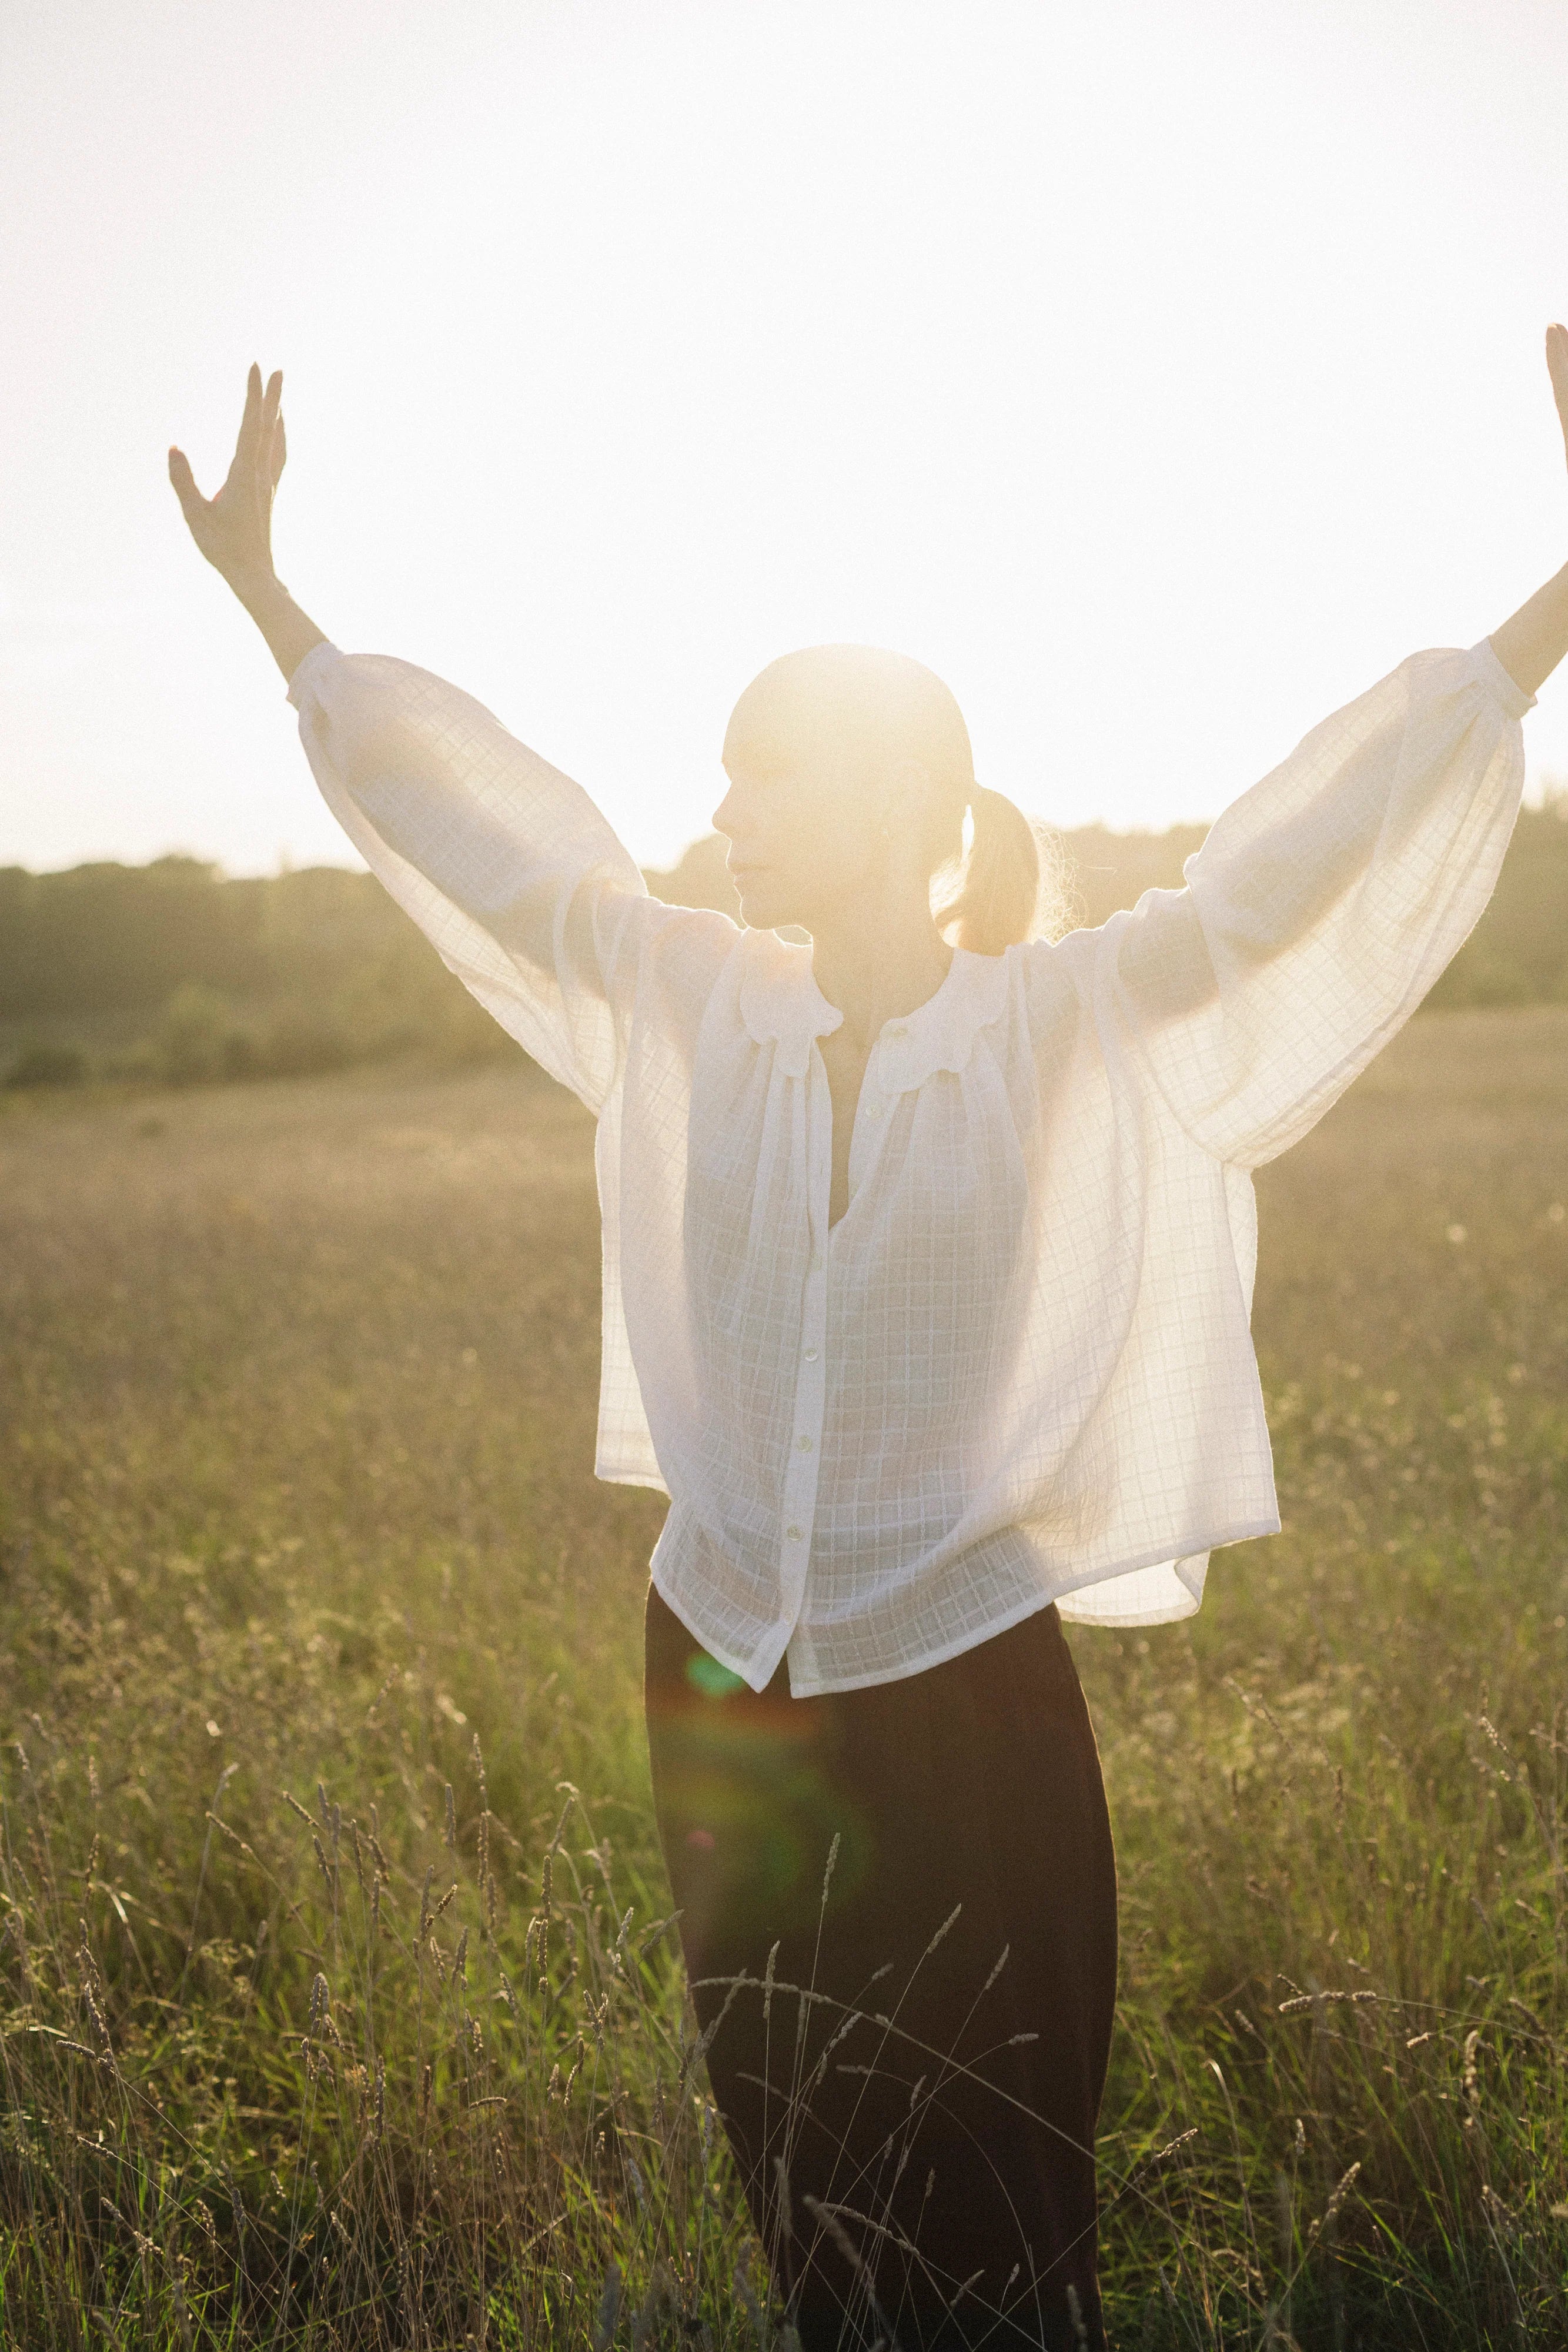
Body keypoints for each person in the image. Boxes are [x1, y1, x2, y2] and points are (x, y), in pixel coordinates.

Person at [170, 338, 1568, 2349]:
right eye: (723, 771)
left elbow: (1306, 861)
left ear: (909, 800)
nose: (723, 809)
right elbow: (470, 838)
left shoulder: (1064, 1021)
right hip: (724, 1662)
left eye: (771, 771)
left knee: (999, 2206)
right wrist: (268, 598)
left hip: (957, 1689)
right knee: (806, 2186)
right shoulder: (683, 1001)